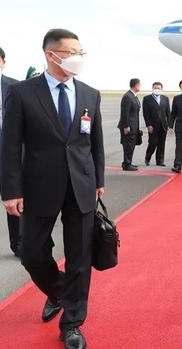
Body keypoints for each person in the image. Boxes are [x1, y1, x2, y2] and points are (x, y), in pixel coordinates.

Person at [1, 29, 104, 349]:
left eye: (81, 52)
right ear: (51, 54)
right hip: (38, 186)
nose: (78, 57)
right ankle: (59, 291)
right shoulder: (22, 93)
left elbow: (95, 143)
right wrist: (10, 191)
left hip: (81, 186)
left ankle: (72, 323)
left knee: (80, 257)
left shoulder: (90, 94)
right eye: (72, 52)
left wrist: (99, 181)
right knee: (32, 254)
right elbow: (9, 145)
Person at [0, 47, 19, 257]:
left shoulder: (15, 87)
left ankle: (18, 243)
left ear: (3, 61)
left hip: (10, 153)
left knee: (14, 198)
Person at [142, 82, 170, 167]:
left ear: (161, 89)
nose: (157, 89)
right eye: (155, 88)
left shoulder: (165, 98)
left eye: (158, 88)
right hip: (153, 126)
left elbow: (168, 112)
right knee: (153, 143)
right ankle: (147, 158)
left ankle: (160, 161)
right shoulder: (147, 99)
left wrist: (169, 124)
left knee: (161, 144)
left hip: (163, 125)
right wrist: (148, 125)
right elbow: (146, 113)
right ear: (152, 88)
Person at [117, 78, 141, 171]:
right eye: (139, 85)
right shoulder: (128, 96)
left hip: (133, 126)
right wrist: (126, 126)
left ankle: (128, 162)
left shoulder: (134, 96)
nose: (140, 86)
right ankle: (126, 164)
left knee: (131, 146)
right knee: (128, 146)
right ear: (136, 85)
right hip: (128, 127)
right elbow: (125, 113)